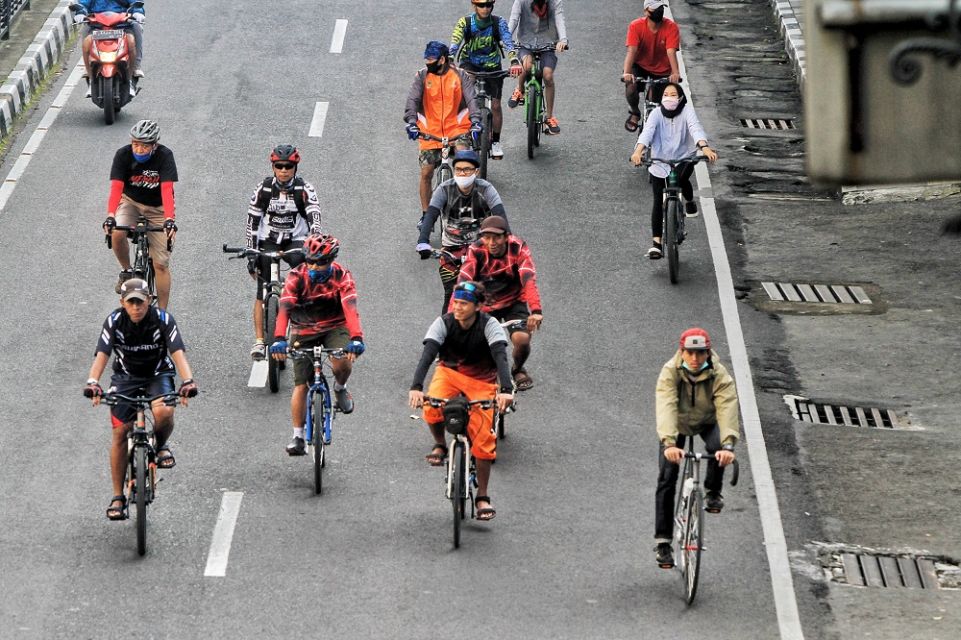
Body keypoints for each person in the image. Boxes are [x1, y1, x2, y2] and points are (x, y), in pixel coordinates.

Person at [83, 278, 198, 521]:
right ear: (122, 303)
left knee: (164, 412)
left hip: (158, 374)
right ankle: (117, 496)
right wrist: (93, 382)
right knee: (120, 431)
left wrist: (188, 381)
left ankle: (161, 445)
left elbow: (178, 354)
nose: (136, 308)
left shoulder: (164, 320)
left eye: (140, 302)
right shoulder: (114, 321)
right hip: (125, 377)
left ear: (149, 301)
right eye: (131, 303)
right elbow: (102, 355)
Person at [409, 281, 515, 521]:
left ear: (478, 306)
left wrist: (505, 390)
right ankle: (440, 444)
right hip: (449, 374)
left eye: (464, 304)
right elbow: (428, 354)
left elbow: (500, 356)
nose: (457, 308)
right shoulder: (443, 323)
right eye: (456, 302)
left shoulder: (491, 326)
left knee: (484, 441)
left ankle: (483, 497)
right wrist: (416, 387)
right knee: (432, 406)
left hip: (482, 381)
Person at [269, 234, 366, 456]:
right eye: (310, 261)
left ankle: (340, 388)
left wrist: (356, 338)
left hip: (335, 326)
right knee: (301, 384)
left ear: (331, 260)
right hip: (303, 329)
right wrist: (278, 339)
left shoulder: (342, 276)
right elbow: (284, 310)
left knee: (342, 363)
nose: (314, 266)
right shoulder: (296, 277)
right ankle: (298, 436)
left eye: (320, 262)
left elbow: (350, 308)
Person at [653, 328, 739, 568]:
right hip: (677, 424)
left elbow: (727, 406)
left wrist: (729, 445)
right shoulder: (670, 371)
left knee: (717, 448)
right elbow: (666, 405)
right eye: (690, 353)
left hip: (706, 420)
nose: (694, 359)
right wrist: (669, 443)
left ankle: (712, 491)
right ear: (682, 352)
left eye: (700, 353)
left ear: (708, 353)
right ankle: (663, 543)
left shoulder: (718, 374)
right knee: (667, 477)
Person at [245, 145, 322, 360]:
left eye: (288, 166)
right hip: (268, 240)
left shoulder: (304, 189)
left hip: (295, 240)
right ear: (273, 167)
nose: (284, 170)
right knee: (261, 292)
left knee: (302, 284)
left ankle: (302, 332)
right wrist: (251, 253)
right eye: (279, 166)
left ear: (295, 167)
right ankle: (260, 342)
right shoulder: (264, 189)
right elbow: (252, 221)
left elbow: (314, 220)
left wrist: (314, 246)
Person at [414, 149, 509, 313]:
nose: (462, 173)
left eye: (466, 170)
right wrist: (423, 241)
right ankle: (446, 334)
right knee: (451, 296)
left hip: (481, 249)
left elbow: (500, 216)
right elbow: (431, 216)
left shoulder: (486, 189)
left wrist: (508, 242)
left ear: (476, 171)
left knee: (486, 296)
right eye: (458, 169)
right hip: (451, 251)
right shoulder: (444, 189)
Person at [630, 83, 717, 259]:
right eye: (666, 95)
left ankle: (689, 200)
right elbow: (647, 133)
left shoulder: (687, 112)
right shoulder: (655, 114)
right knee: (657, 200)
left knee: (681, 179)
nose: (669, 98)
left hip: (684, 156)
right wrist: (638, 151)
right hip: (659, 160)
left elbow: (695, 128)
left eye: (673, 94)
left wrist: (704, 147)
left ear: (680, 97)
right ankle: (656, 243)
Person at [456, 216, 543, 390]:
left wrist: (535, 310)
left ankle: (517, 369)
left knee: (522, 339)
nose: (491, 242)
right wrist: (456, 311)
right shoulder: (476, 249)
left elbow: (528, 279)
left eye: (496, 237)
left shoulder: (518, 248)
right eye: (487, 237)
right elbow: (464, 278)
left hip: (513, 302)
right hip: (485, 304)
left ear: (506, 237)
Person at [405, 40, 482, 230]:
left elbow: (471, 99)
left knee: (464, 162)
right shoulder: (421, 77)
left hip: (458, 130)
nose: (427, 63)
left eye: (431, 59)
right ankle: (426, 216)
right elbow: (412, 101)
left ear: (442, 59)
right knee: (426, 173)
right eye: (426, 59)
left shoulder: (460, 75)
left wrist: (476, 121)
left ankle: (467, 209)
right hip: (429, 133)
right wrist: (412, 123)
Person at [103, 119, 179, 309]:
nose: (138, 150)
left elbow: (167, 190)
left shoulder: (165, 156)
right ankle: (126, 270)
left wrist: (169, 219)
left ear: (154, 145)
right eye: (135, 144)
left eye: (144, 146)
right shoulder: (122, 155)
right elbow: (116, 188)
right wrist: (111, 215)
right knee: (117, 232)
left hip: (157, 208)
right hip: (131, 202)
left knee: (160, 265)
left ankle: (162, 314)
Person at [450, 0, 524, 158]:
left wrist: (513, 60)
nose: (485, 8)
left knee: (496, 105)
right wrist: (450, 58)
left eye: (488, 5)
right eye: (481, 5)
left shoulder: (499, 23)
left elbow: (507, 41)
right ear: (474, 6)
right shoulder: (466, 22)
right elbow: (456, 40)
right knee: (464, 98)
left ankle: (496, 141)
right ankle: (459, 134)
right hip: (470, 63)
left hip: (492, 65)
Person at [507, 0, 569, 135]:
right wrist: (506, 39)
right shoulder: (521, 1)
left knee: (548, 75)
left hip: (547, 44)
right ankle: (520, 90)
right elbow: (514, 19)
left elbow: (559, 18)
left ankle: (550, 117)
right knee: (527, 66)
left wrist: (563, 40)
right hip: (525, 44)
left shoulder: (554, 2)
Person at [621, 0, 680, 133]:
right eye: (655, 9)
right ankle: (635, 113)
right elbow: (632, 51)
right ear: (646, 11)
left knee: (654, 102)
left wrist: (675, 73)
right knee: (631, 87)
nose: (659, 11)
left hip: (662, 69)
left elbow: (671, 51)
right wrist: (627, 73)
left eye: (661, 8)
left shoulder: (671, 27)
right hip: (639, 65)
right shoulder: (636, 26)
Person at [73, 0, 145, 97]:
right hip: (97, 26)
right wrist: (80, 12)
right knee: (86, 42)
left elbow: (135, 2)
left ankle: (132, 75)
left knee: (132, 39)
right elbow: (84, 3)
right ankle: (91, 79)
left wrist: (138, 12)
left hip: (122, 25)